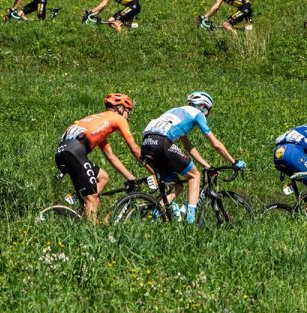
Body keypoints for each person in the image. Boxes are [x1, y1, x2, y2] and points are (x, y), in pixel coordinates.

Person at [140, 92, 244, 224]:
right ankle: (190, 222)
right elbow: (215, 144)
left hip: (146, 144)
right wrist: (234, 161)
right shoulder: (197, 113)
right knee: (194, 175)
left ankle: (152, 219)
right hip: (162, 142)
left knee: (177, 186)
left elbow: (189, 147)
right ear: (202, 106)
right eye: (208, 111)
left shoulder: (176, 112)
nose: (207, 115)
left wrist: (206, 165)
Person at [54, 93, 146, 222]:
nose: (128, 115)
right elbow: (135, 149)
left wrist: (131, 178)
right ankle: (91, 235)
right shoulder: (117, 118)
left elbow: (110, 156)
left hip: (63, 153)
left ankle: (83, 213)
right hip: (74, 152)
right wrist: (154, 171)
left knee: (102, 177)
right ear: (120, 108)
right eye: (128, 111)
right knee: (91, 199)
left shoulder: (98, 122)